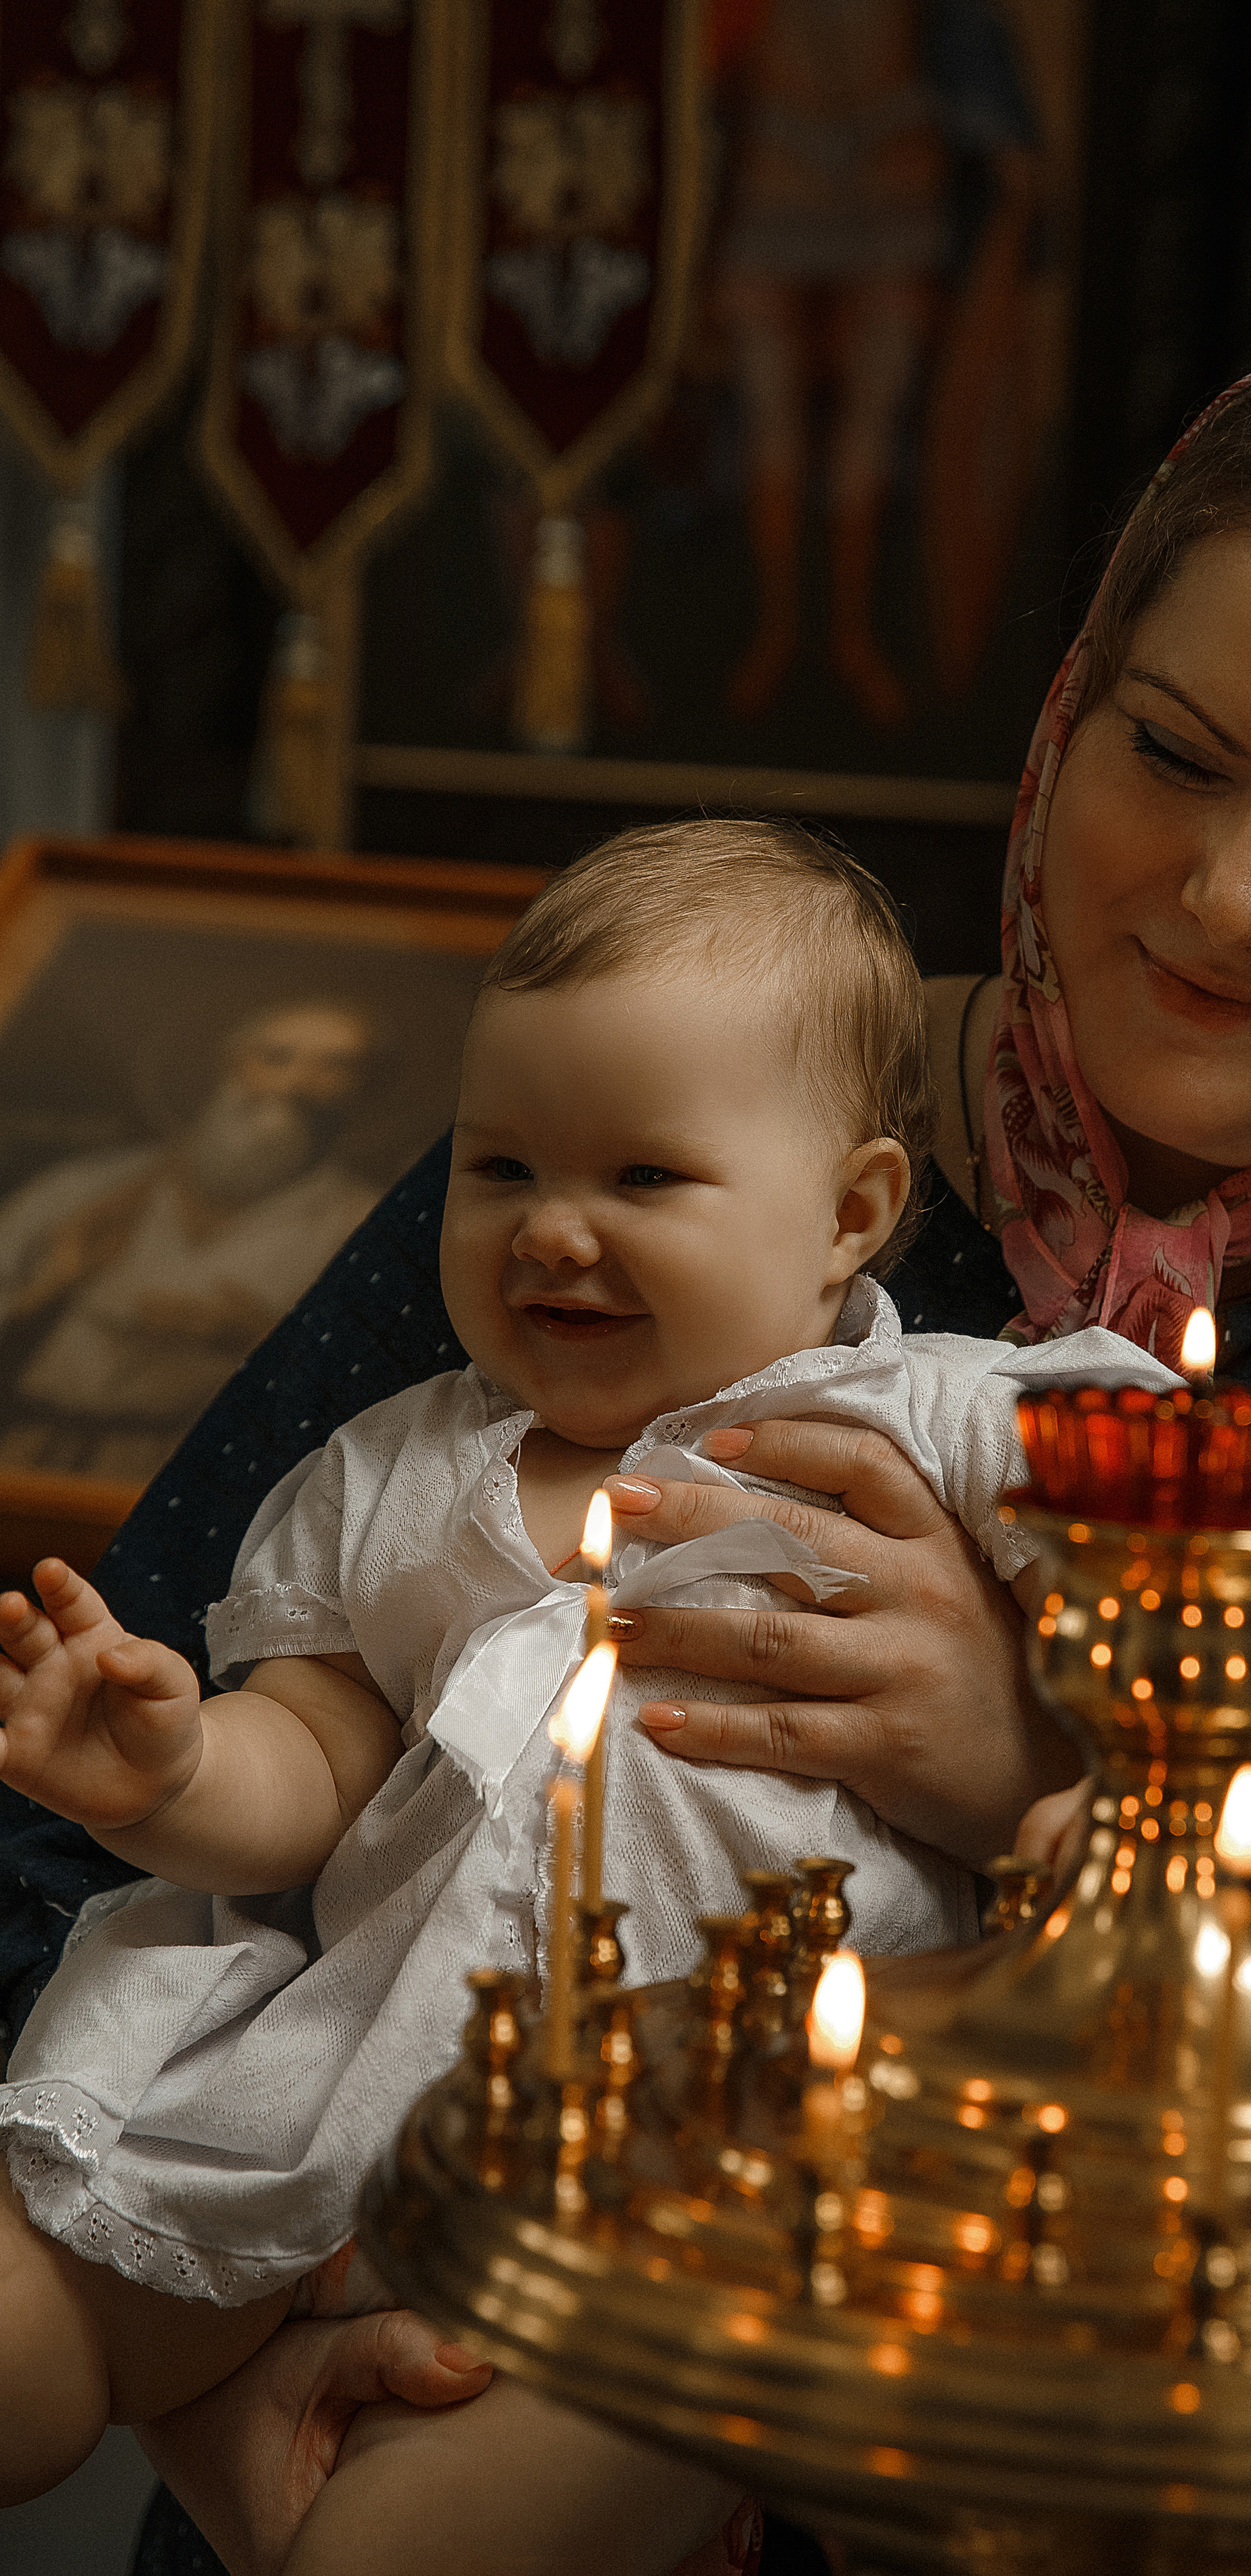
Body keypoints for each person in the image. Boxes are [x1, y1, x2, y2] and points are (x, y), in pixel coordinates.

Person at [8, 320, 1251, 2574]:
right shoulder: (618, 1158)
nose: (1224, 901)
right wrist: (236, 2415)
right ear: (1068, 703)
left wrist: (1062, 1783)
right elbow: (73, 1832)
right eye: (1173, 754)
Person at [0, 820, 1174, 2561]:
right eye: (499, 1170)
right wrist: (169, 1770)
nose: (553, 1231)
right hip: (348, 2104)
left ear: (847, 1211)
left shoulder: (921, 1419)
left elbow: (1161, 1544)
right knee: (28, 2329)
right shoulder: (400, 1465)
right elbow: (316, 1756)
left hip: (702, 2191)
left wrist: (1119, 1696)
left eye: (642, 1179)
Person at [0, 1000, 382, 1482]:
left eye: (334, 1067)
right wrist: (48, 1286)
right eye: (275, 1057)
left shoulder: (365, 1225)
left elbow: (375, 1390)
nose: (295, 1083)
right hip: (25, 1450)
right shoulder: (88, 1186)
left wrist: (253, 1338)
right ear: (229, 1065)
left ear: (363, 1092)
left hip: (206, 1481)